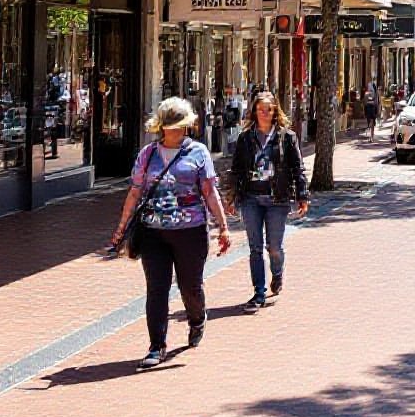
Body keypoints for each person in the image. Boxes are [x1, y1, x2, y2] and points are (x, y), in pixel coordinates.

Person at [110, 97, 231, 370]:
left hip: (191, 230)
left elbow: (210, 192)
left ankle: (197, 318)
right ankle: (156, 345)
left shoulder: (198, 152)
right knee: (157, 289)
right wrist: (121, 227)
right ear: (161, 127)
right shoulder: (148, 154)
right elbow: (135, 191)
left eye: (180, 126)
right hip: (154, 232)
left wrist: (223, 227)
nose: (176, 131)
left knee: (190, 286)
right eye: (170, 126)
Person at [224, 90, 310, 313]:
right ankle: (259, 292)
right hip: (251, 198)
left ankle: (277, 273)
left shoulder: (286, 137)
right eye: (260, 109)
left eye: (268, 109)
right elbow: (236, 169)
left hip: (277, 199)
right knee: (254, 248)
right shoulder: (245, 138)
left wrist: (302, 196)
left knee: (274, 247)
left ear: (275, 112)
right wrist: (231, 197)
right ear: (254, 111)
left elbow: (298, 169)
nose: (264, 113)